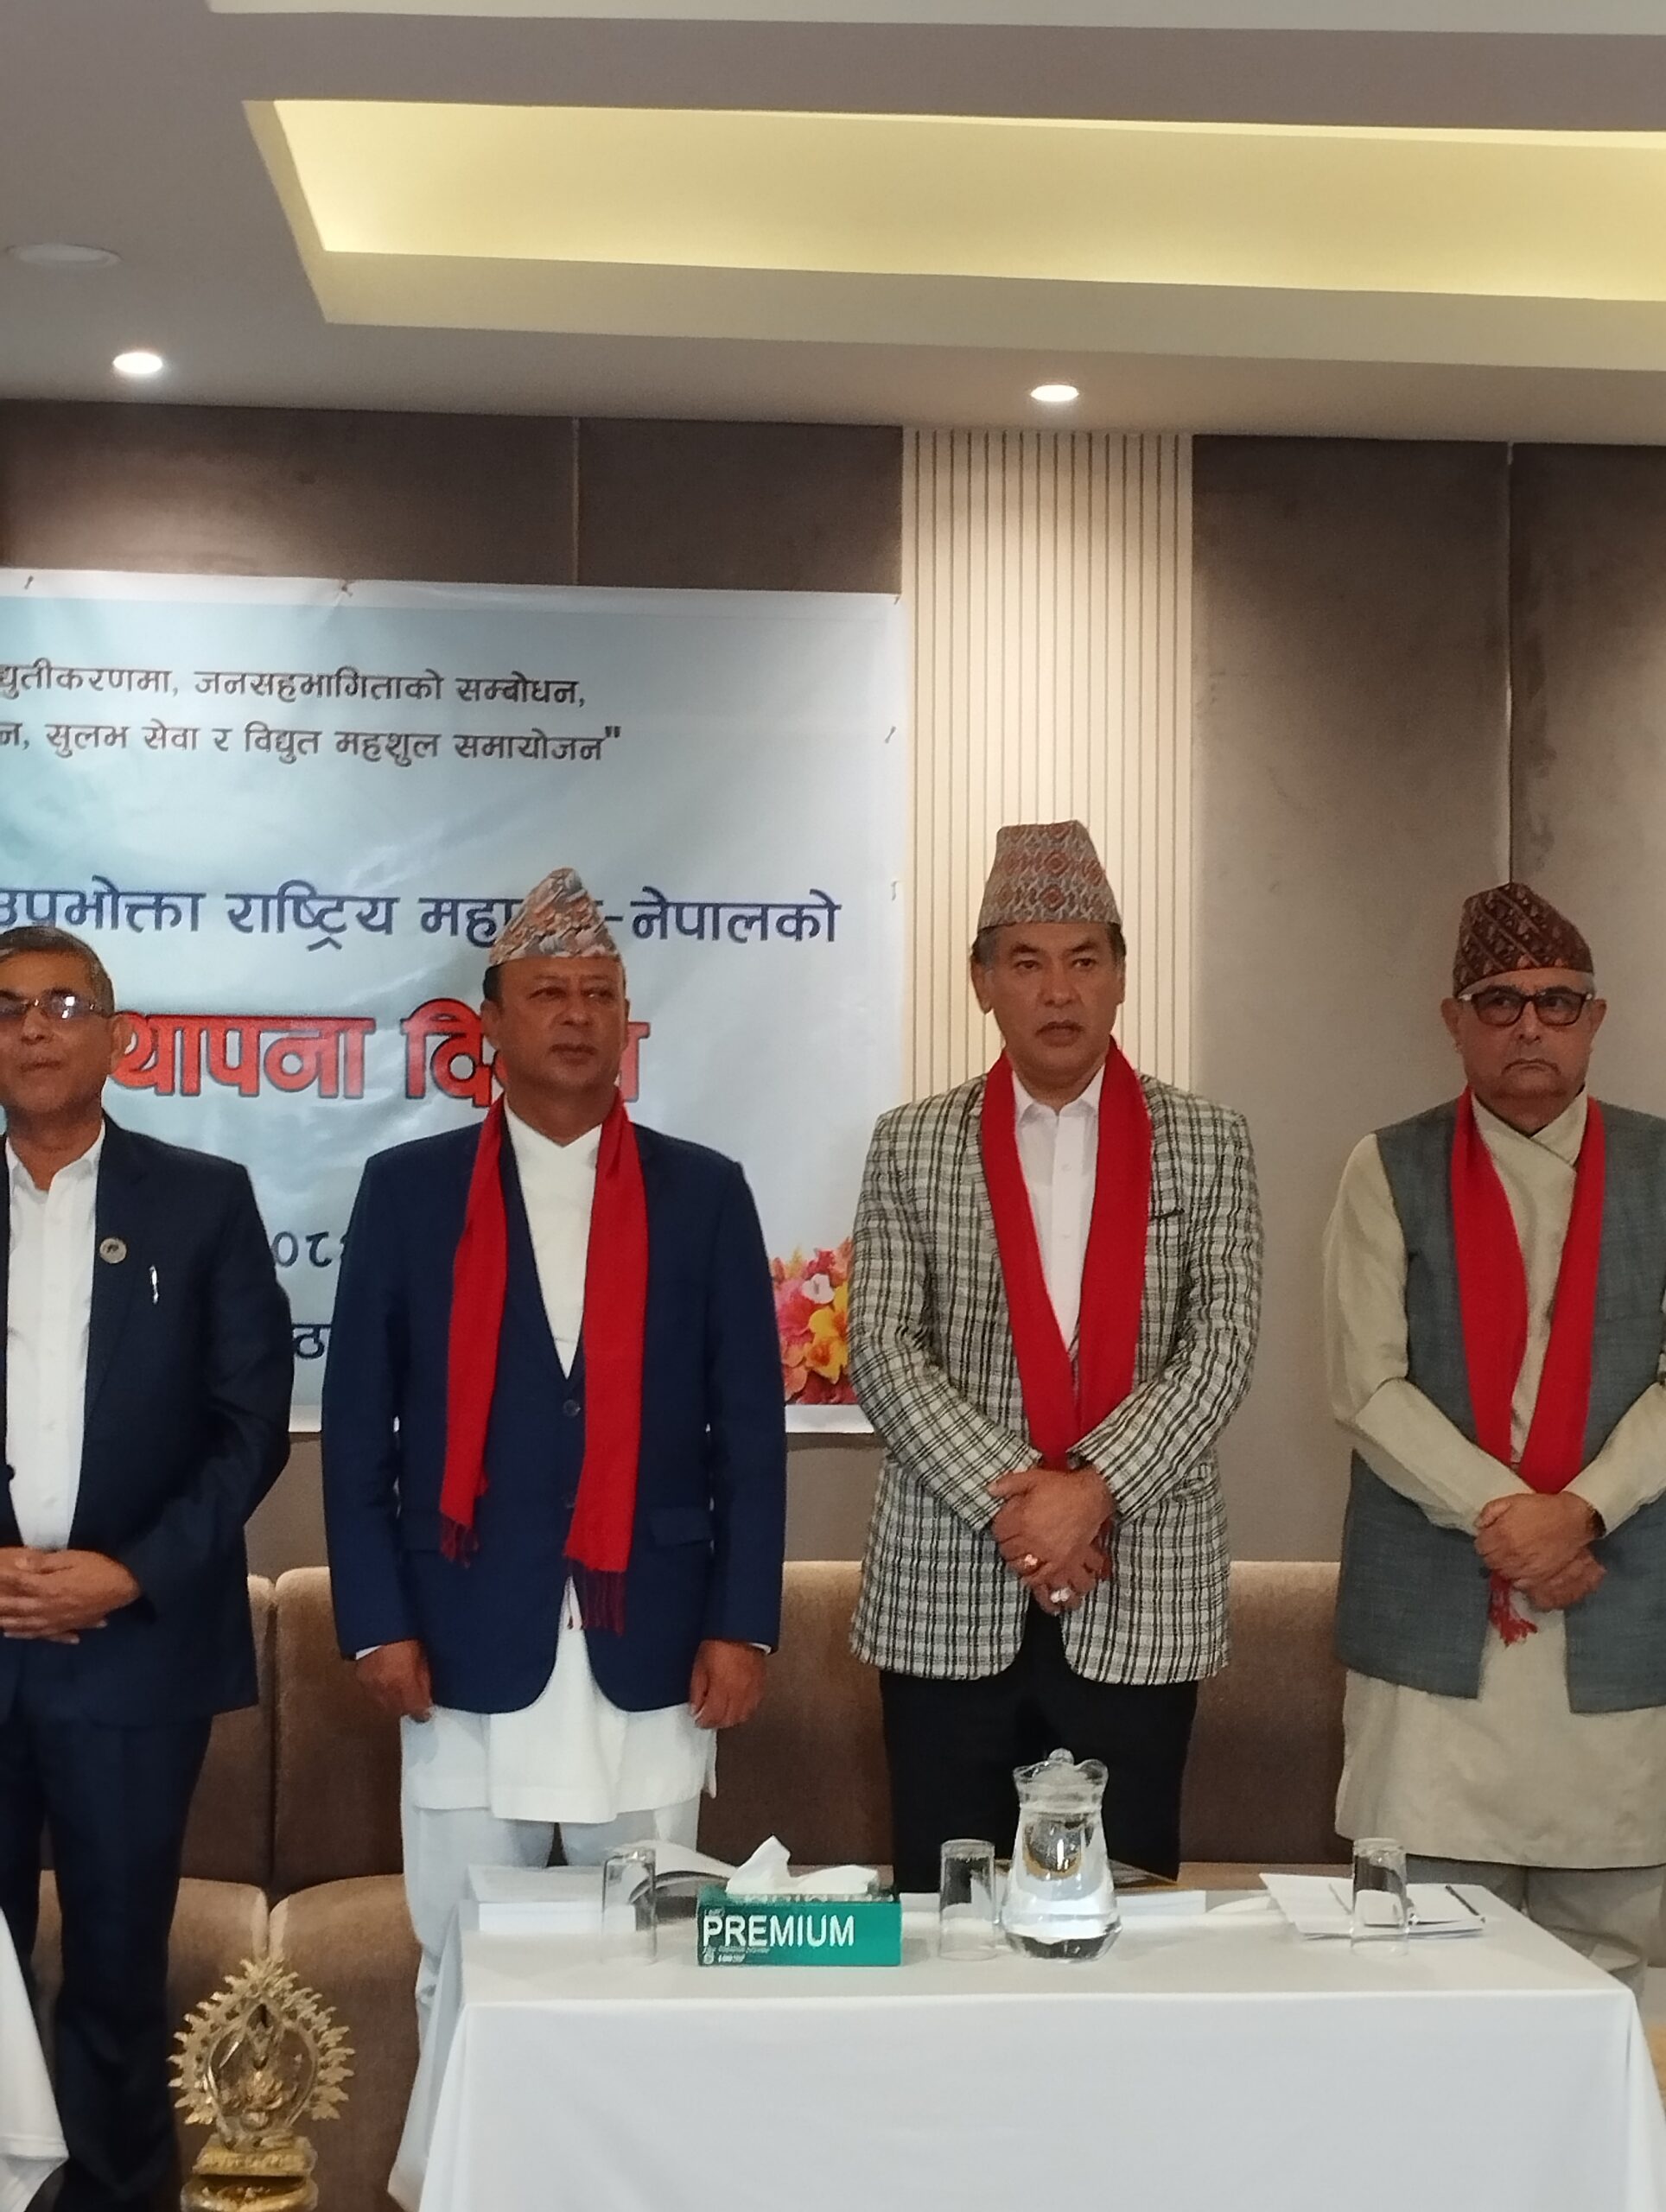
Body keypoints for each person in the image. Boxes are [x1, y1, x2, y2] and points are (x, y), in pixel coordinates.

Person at [322, 867, 785, 2044]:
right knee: (462, 1968)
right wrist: (375, 1623)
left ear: (627, 1020)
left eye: (599, 994)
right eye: (547, 993)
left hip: (654, 1643)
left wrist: (743, 1624)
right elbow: (359, 1429)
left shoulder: (706, 1194)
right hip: (462, 1638)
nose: (577, 1016)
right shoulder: (409, 1194)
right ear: (490, 1022)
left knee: (656, 1973)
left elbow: (748, 1434)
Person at [849, 821, 1262, 1893]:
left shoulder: (1208, 1139)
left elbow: (1220, 1347)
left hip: (1141, 1588)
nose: (1057, 990)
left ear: (1120, 974)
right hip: (946, 1592)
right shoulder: (910, 1141)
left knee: (1121, 1920)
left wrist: (1093, 1492)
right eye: (1025, 962)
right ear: (980, 980)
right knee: (942, 1918)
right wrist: (1025, 1513)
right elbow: (883, 1347)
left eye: (1083, 959)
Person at [1326, 881, 1666, 1993]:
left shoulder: (1661, 1166)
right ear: (1452, 1019)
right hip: (1437, 1633)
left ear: (1594, 1018)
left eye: (1556, 1002)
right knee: (1420, 1977)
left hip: (1621, 1603)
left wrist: (1580, 1511)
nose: (1529, 1025)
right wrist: (1508, 1520)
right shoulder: (1386, 1167)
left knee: (1619, 1975)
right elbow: (1365, 1386)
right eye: (1499, 1001)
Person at [0, 924, 292, 2212]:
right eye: (8, 1007)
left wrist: (124, 1574)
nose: (33, 1027)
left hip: (132, 1649)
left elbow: (249, 1425)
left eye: (64, 1004)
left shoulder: (201, 1200)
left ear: (117, 1037)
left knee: (118, 1977)